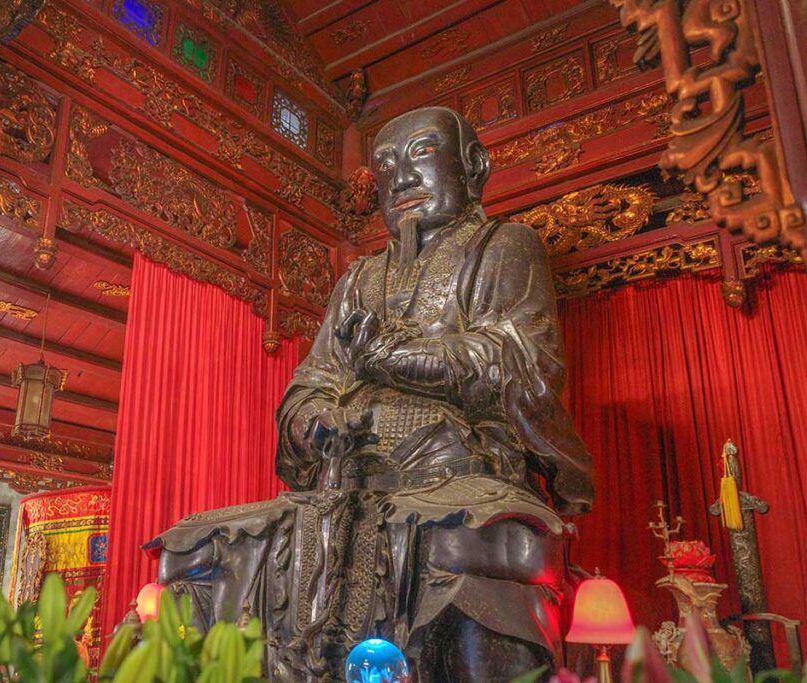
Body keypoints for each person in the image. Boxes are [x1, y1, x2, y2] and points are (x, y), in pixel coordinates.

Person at [148, 106, 594, 682]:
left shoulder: (504, 246)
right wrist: (314, 421)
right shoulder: (358, 278)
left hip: (459, 471)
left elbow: (521, 362)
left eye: (423, 153)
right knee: (196, 544)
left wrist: (395, 358)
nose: (401, 178)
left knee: (449, 542)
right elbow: (313, 380)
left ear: (474, 166)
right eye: (385, 166)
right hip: (347, 479)